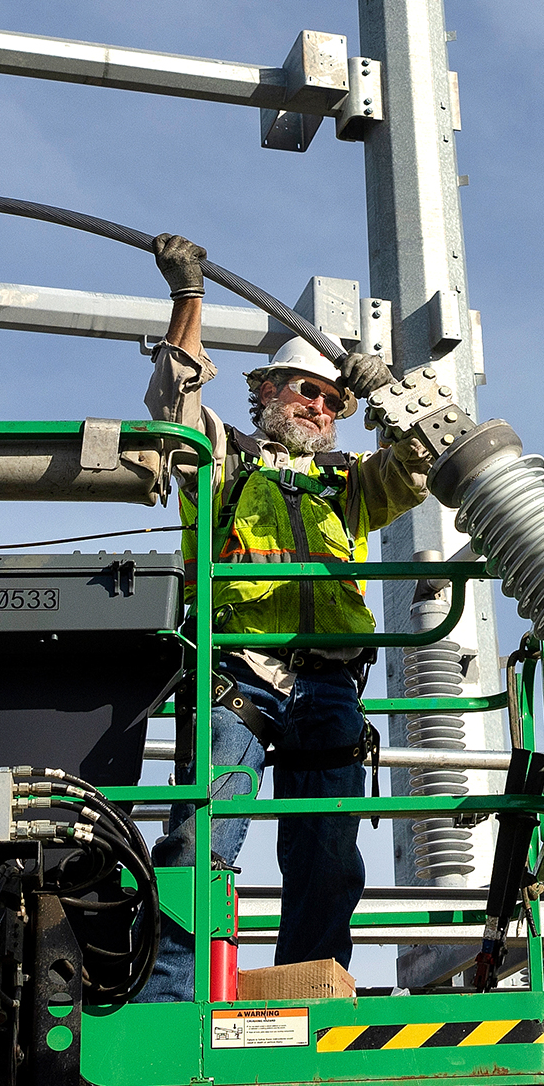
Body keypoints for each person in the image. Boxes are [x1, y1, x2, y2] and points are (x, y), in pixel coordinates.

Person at [134, 232, 432, 994]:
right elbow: (173, 402)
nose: (323, 407)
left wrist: (392, 397)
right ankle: (171, 996)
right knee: (203, 841)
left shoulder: (348, 484)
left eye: (335, 400)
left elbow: (422, 465)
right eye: (308, 391)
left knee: (329, 856)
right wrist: (188, 299)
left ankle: (310, 988)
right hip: (237, 673)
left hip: (329, 681)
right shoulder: (222, 458)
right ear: (265, 393)